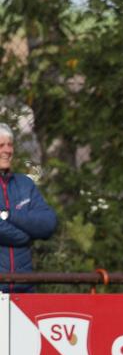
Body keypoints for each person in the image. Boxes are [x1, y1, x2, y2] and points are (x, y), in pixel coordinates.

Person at [0, 124, 58, 293]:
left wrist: (7, 215)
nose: (7, 150)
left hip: (24, 290)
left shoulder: (25, 184)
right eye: (1, 145)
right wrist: (27, 236)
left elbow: (48, 223)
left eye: (10, 145)